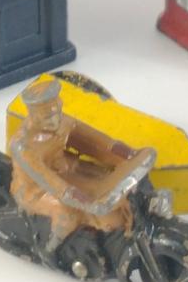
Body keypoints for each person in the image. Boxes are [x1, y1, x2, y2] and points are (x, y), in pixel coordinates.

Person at [10, 77, 156, 253]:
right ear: (34, 116)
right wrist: (79, 198)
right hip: (35, 190)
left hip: (69, 170)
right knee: (68, 213)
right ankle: (51, 249)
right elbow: (48, 179)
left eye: (57, 112)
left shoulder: (62, 122)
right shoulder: (23, 146)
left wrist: (127, 154)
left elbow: (94, 142)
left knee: (108, 179)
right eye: (47, 117)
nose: (55, 120)